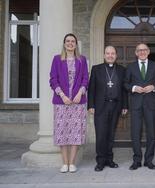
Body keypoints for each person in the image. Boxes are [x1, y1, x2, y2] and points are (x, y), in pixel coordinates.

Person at [49, 33, 89, 173]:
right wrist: (62, 96)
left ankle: (72, 163)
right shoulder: (57, 59)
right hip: (61, 102)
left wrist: (80, 93)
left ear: (76, 44)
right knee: (62, 132)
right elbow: (53, 80)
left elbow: (85, 78)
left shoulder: (82, 60)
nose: (70, 43)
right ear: (64, 43)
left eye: (73, 41)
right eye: (68, 41)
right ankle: (64, 163)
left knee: (76, 133)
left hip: (78, 102)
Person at [88, 46, 128, 172]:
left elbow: (124, 90)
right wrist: (90, 105)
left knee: (111, 134)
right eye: (108, 53)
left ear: (116, 55)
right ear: (104, 55)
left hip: (116, 105)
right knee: (101, 135)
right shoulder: (96, 69)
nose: (110, 55)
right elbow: (91, 88)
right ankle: (100, 161)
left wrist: (125, 105)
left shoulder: (122, 70)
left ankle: (109, 160)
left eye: (113, 53)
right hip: (100, 106)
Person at [124, 43, 155, 170]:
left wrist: (153, 87)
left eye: (144, 50)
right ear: (136, 53)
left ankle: (149, 160)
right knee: (135, 133)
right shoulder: (130, 67)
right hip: (136, 104)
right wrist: (134, 88)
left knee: (151, 133)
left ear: (148, 51)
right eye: (139, 50)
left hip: (151, 104)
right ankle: (136, 160)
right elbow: (125, 83)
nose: (142, 52)